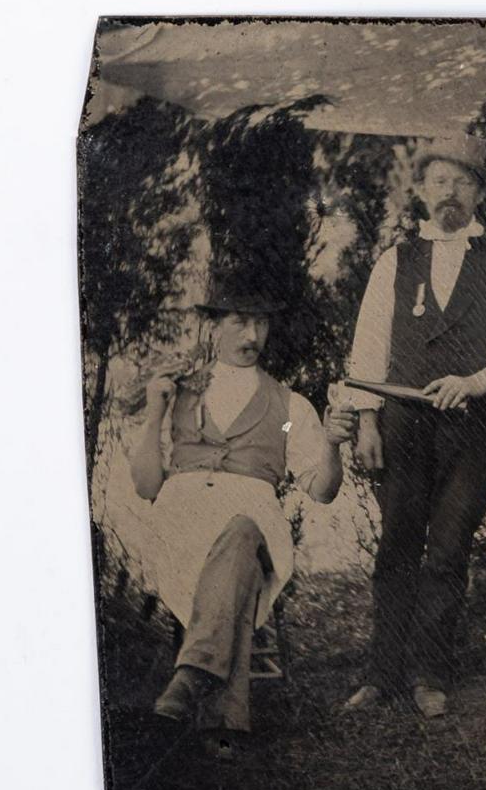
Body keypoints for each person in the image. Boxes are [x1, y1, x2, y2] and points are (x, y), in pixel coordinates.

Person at [346, 135, 486, 717]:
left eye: (461, 182)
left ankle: (431, 676)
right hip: (403, 423)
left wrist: (475, 382)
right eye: (439, 181)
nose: (449, 192)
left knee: (449, 547)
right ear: (421, 191)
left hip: (475, 425)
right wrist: (367, 420)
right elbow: (369, 346)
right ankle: (381, 675)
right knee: (397, 543)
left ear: (478, 192)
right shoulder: (396, 260)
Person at [129, 281, 357, 734]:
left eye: (261, 323)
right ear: (214, 327)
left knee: (242, 532)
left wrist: (331, 445)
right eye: (239, 322)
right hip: (182, 524)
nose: (252, 336)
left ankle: (191, 677)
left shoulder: (288, 407)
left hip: (251, 523)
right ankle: (226, 728)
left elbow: (322, 490)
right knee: (237, 568)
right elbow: (146, 485)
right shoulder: (180, 393)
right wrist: (155, 412)